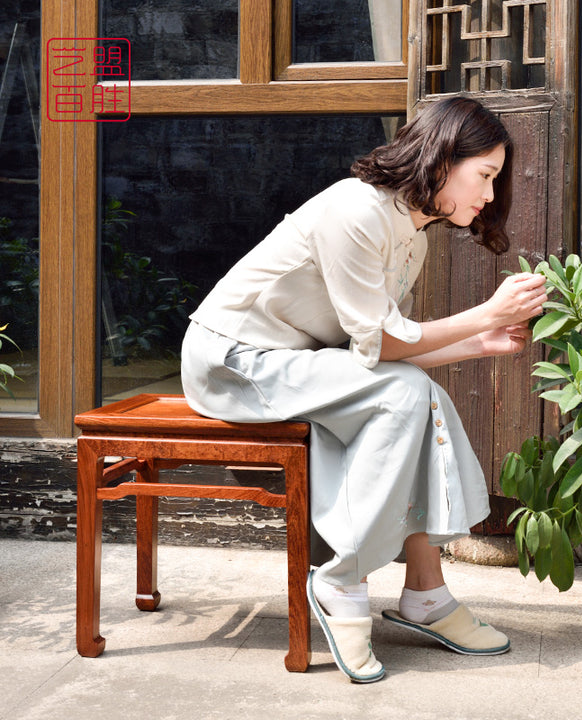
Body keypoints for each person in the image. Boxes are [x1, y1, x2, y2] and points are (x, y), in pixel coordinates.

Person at [181, 96, 547, 683]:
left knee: (412, 391)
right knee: (407, 393)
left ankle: (421, 592)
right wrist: (483, 316)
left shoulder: (413, 236)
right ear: (441, 158)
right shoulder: (356, 209)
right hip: (233, 362)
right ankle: (345, 581)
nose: (488, 195)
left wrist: (481, 344)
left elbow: (377, 350)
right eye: (484, 176)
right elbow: (383, 345)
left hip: (302, 363)